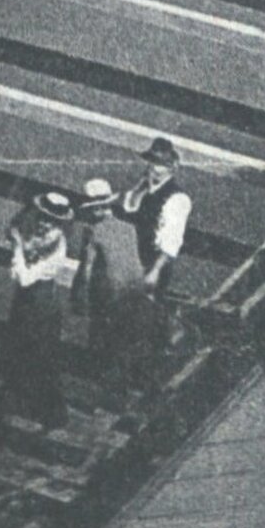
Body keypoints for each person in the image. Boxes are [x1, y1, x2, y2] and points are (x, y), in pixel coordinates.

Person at [1, 188, 78, 430]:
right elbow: (15, 227)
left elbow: (24, 277)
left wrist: (17, 248)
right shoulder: (34, 231)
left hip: (42, 302)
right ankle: (21, 405)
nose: (44, 223)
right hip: (27, 300)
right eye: (42, 217)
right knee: (18, 351)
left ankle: (52, 415)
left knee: (42, 358)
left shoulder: (55, 248)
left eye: (51, 220)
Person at [74, 175, 152, 399]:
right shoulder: (129, 228)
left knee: (106, 345)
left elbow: (86, 270)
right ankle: (132, 387)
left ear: (94, 209)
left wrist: (79, 299)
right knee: (128, 342)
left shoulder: (93, 231)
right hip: (135, 292)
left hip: (110, 298)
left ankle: (110, 393)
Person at [122, 136, 192, 372]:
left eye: (160, 164)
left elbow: (171, 244)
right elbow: (128, 207)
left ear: (172, 167)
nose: (154, 168)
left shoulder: (177, 199)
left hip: (154, 264)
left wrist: (153, 272)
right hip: (137, 258)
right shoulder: (146, 188)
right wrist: (140, 186)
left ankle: (150, 368)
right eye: (152, 162)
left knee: (147, 318)